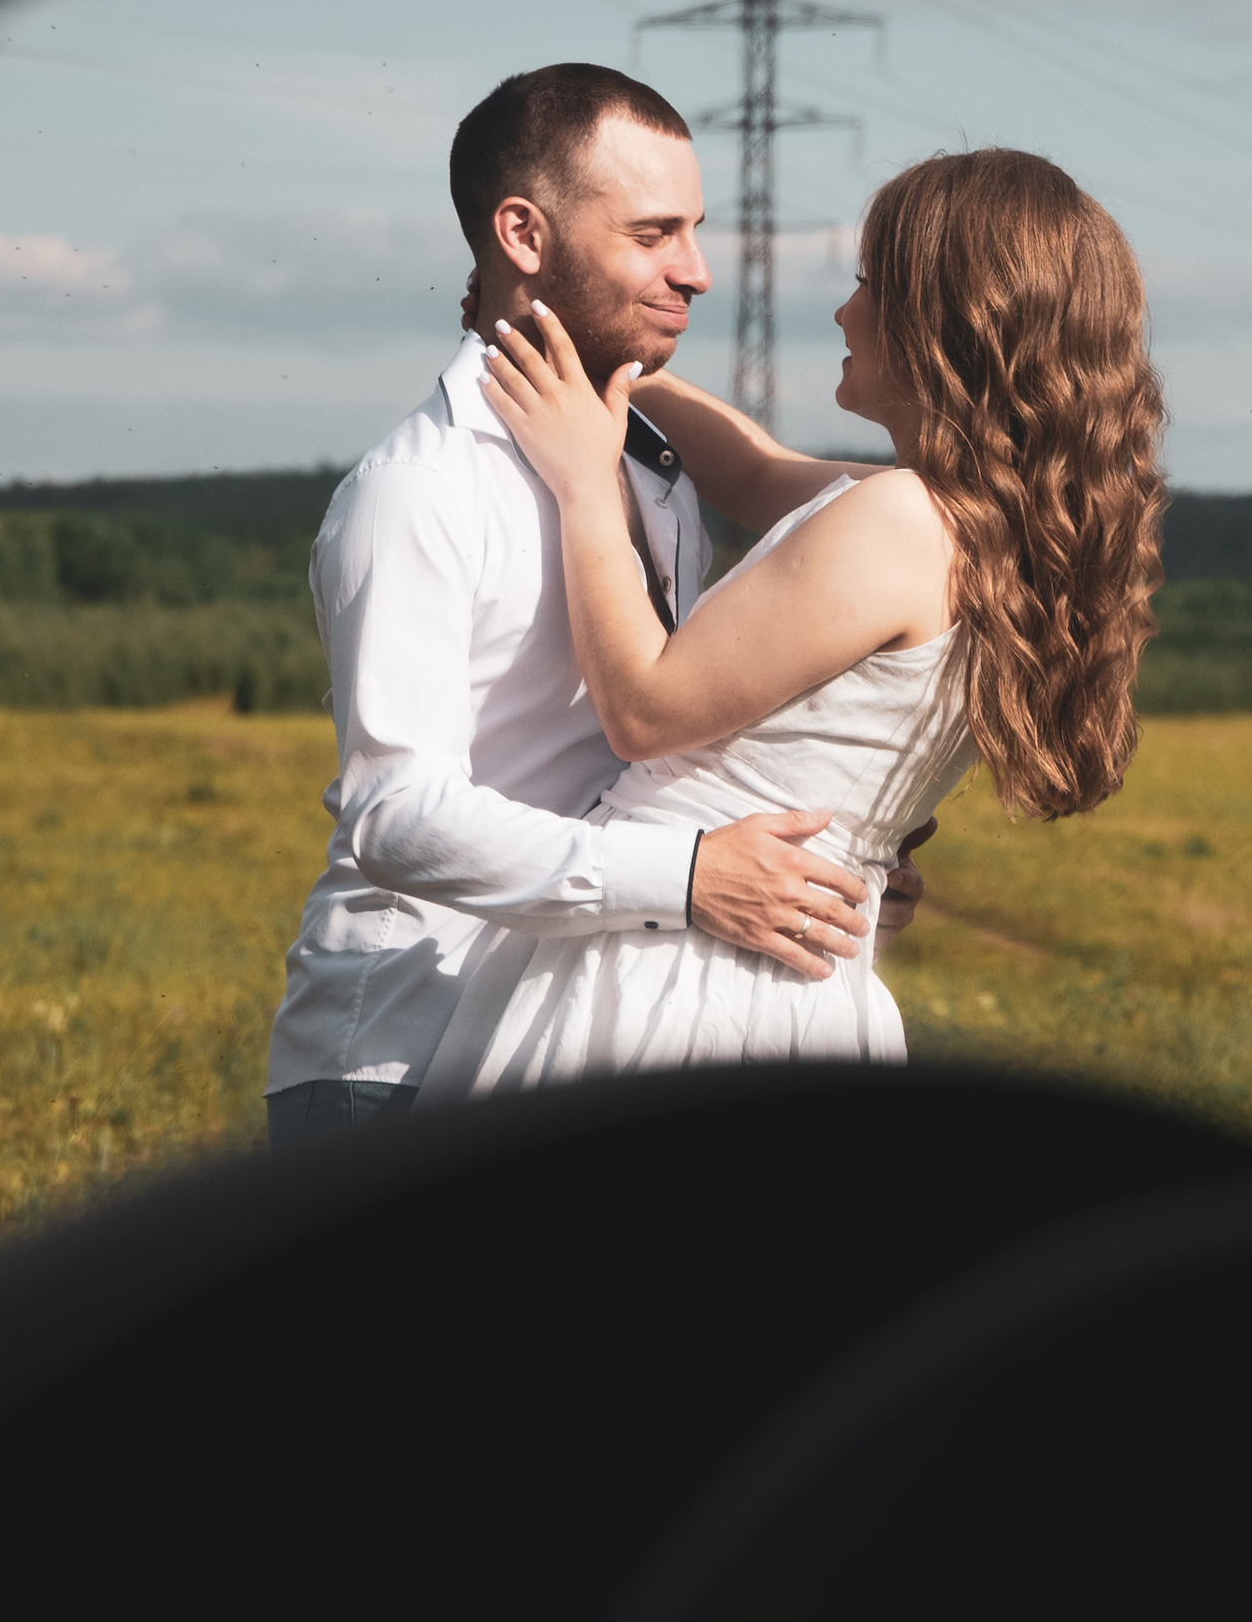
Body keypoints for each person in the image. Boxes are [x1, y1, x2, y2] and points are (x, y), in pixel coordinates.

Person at [414, 147, 1165, 1099]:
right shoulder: (983, 529)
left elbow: (644, 711)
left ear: (949, 322)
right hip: (785, 980)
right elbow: (758, 473)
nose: (845, 311)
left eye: (867, 282)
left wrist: (582, 481)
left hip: (683, 983)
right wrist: (601, 352)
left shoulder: (900, 524)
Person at [265, 64, 924, 1145]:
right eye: (655, 234)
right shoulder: (420, 489)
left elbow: (657, 751)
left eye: (695, 231)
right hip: (405, 1052)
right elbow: (395, 817)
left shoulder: (650, 470)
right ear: (523, 233)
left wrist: (819, 866)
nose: (699, 271)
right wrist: (697, 875)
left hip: (583, 1023)